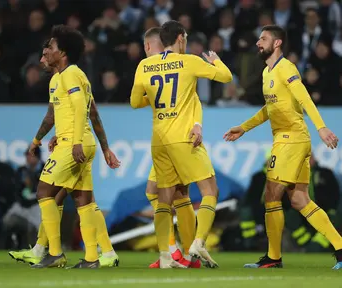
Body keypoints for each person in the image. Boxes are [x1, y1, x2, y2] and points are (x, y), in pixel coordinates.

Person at [224, 24, 342, 270]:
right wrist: (244, 127)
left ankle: (273, 256)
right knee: (299, 199)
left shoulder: (286, 68)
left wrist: (321, 127)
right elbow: (270, 109)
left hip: (291, 138)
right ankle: (341, 248)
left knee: (271, 194)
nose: (258, 42)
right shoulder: (267, 73)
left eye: (263, 38)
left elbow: (304, 98)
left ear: (276, 43)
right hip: (290, 139)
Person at [130, 20, 232, 269]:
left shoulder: (145, 65)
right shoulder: (190, 61)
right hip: (183, 139)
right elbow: (226, 77)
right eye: (185, 37)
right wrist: (215, 60)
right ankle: (197, 243)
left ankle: (167, 255)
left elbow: (135, 102)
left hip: (159, 140)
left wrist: (157, 99)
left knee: (165, 198)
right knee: (210, 191)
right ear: (180, 38)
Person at [9, 40, 120, 268]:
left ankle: (54, 252)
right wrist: (103, 147)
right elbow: (88, 114)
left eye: (46, 52)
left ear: (62, 53)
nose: (42, 59)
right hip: (76, 140)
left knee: (45, 192)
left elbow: (82, 109)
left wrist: (74, 140)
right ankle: (93, 256)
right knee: (83, 200)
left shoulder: (69, 75)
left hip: (74, 144)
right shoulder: (62, 78)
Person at [143, 27, 200, 269]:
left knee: (172, 194)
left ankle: (181, 252)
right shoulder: (180, 64)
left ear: (148, 47)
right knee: (172, 194)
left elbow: (135, 100)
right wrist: (197, 124)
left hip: (171, 139)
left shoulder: (149, 67)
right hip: (178, 137)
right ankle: (181, 252)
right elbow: (194, 97)